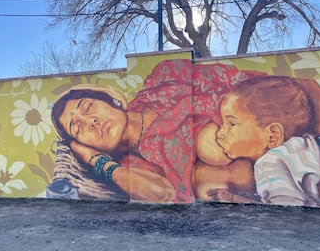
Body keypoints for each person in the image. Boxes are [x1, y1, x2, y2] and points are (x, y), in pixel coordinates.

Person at [51, 59, 264, 203]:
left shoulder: (163, 79)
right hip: (269, 184)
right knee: (205, 181)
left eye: (87, 107)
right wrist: (94, 158)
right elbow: (161, 194)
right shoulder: (132, 165)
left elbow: (238, 79)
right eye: (77, 128)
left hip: (268, 115)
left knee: (210, 145)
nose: (91, 121)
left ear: (111, 99)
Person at [215, 75, 320, 206]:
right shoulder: (307, 144)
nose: (219, 134)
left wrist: (237, 201)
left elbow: (285, 215)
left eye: (231, 124)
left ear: (273, 135)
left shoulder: (268, 164)